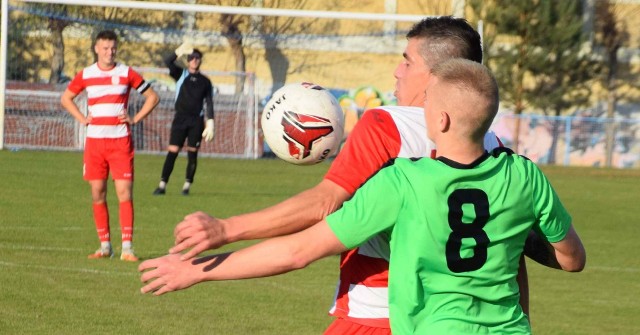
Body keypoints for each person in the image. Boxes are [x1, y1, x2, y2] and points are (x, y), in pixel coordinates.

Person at [145, 17, 539, 333]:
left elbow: (322, 206)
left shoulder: (387, 125)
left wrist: (225, 229)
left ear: (438, 74)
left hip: (378, 310)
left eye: (407, 60)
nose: (397, 71)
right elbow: (520, 254)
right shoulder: (496, 148)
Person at [61, 30, 159, 262]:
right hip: (95, 143)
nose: (109, 52)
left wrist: (134, 119)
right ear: (96, 49)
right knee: (98, 193)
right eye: (105, 48)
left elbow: (153, 97)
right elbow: (66, 98)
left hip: (120, 142)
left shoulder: (126, 73)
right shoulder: (86, 74)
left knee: (124, 193)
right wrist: (82, 118)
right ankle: (105, 246)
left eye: (113, 48)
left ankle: (127, 248)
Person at [153, 42, 215, 196]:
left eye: (197, 58)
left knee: (192, 153)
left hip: (196, 121)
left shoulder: (205, 82)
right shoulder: (181, 74)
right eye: (192, 57)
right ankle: (162, 185)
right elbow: (168, 61)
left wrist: (210, 122)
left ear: (200, 61)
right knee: (172, 151)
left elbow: (209, 102)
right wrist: (178, 51)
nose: (194, 60)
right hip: (180, 119)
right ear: (188, 60)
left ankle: (187, 186)